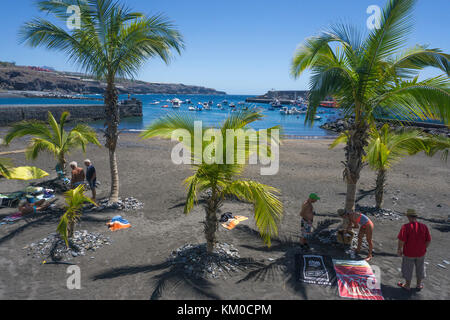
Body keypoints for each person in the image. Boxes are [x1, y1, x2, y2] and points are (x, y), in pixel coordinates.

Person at [397, 209, 431, 291]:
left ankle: (407, 285)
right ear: (416, 217)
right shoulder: (424, 226)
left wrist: (399, 249)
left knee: (408, 268)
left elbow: (401, 240)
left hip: (409, 253)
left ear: (408, 217)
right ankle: (418, 285)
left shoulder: (405, 227)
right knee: (420, 268)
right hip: (421, 253)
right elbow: (428, 240)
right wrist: (423, 248)